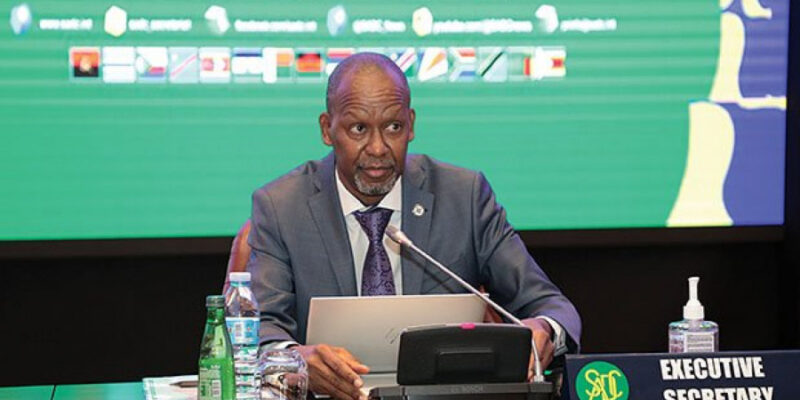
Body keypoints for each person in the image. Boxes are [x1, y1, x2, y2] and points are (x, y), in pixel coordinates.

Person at [246, 52, 581, 400]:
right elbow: (258, 329)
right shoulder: (282, 207)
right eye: (359, 129)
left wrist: (543, 330)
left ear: (411, 124)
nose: (378, 148)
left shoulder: (463, 197)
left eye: (394, 127)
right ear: (326, 129)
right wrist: (296, 360)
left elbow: (553, 308)